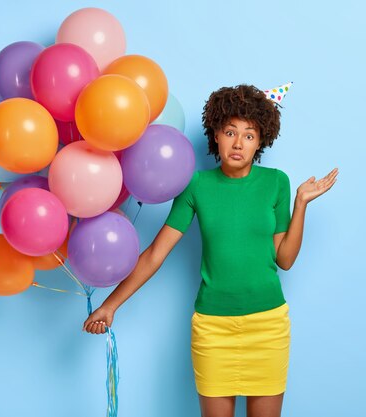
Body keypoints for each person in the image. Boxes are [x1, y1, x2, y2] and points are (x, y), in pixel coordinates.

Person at [83, 84, 338, 417]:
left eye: (249, 135)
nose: (238, 142)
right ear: (215, 134)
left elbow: (285, 259)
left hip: (268, 326)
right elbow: (155, 254)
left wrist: (301, 204)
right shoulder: (196, 185)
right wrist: (110, 305)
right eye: (230, 131)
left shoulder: (277, 182)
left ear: (261, 141)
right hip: (213, 329)